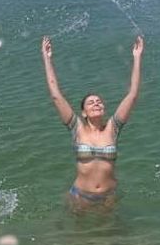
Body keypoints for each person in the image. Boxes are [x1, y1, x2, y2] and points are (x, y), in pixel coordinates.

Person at [40, 34, 143, 209]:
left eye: (99, 101)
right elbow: (56, 96)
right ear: (84, 112)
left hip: (109, 196)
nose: (96, 103)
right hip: (79, 195)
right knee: (78, 235)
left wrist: (137, 57)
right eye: (91, 102)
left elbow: (132, 95)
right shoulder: (76, 127)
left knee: (109, 235)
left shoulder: (113, 127)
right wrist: (47, 58)